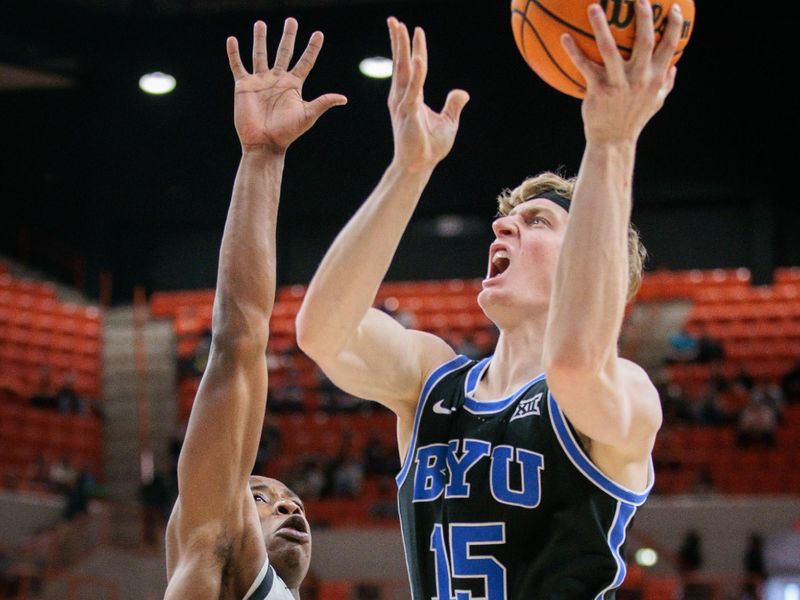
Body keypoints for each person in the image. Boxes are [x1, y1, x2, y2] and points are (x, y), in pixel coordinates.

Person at [296, 2, 684, 597]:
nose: (503, 229)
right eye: (505, 220)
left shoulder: (626, 391)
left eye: (537, 222)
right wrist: (409, 168)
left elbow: (577, 361)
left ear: (587, 255)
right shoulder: (432, 382)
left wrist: (610, 140)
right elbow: (322, 330)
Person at [164, 17, 345, 600]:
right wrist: (263, 158)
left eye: (291, 502)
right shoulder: (215, 552)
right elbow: (238, 340)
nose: (290, 508)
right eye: (262, 498)